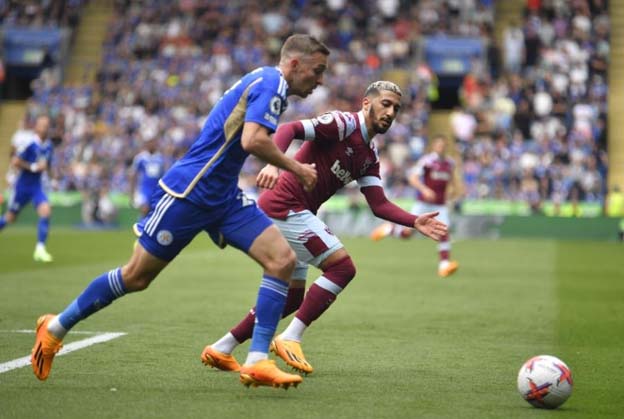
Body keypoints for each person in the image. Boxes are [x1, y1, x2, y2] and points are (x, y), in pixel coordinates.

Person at [30, 34, 329, 389]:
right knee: (136, 277)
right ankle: (55, 327)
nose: (320, 80)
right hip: (189, 192)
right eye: (317, 71)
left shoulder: (266, 81)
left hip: (223, 198)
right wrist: (296, 168)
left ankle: (257, 361)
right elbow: (252, 140)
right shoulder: (272, 83)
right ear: (295, 64)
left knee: (281, 260)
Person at [200, 81, 448, 375]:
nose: (391, 112)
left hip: (295, 211)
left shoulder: (369, 155)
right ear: (367, 103)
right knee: (343, 268)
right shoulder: (343, 124)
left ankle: (222, 347)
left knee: (293, 298)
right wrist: (273, 164)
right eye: (385, 104)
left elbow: (379, 204)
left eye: (396, 108)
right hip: (286, 206)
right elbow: (288, 129)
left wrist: (414, 221)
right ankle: (290, 337)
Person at [370, 134, 460, 278]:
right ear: (434, 147)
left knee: (443, 231)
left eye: (443, 145)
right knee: (407, 234)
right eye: (438, 145)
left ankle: (444, 265)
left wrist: (454, 190)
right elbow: (412, 177)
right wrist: (425, 189)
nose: (441, 148)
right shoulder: (427, 161)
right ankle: (390, 229)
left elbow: (451, 180)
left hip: (440, 205)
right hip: (423, 203)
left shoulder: (449, 163)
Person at [0, 115, 55, 262]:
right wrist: (33, 166)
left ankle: (40, 249)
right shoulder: (29, 142)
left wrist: (52, 179)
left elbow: (47, 166)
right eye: (42, 125)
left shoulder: (49, 145)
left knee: (46, 211)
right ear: (36, 127)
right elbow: (15, 161)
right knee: (10, 218)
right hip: (23, 186)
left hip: (37, 186)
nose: (44, 128)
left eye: (47, 125)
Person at [129, 136, 166, 218]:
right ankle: (140, 226)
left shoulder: (160, 158)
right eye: (149, 142)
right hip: (144, 189)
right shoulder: (140, 158)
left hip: (156, 189)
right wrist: (132, 193)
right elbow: (133, 175)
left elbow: (164, 175)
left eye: (153, 142)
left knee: (154, 212)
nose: (151, 144)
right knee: (144, 209)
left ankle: (147, 228)